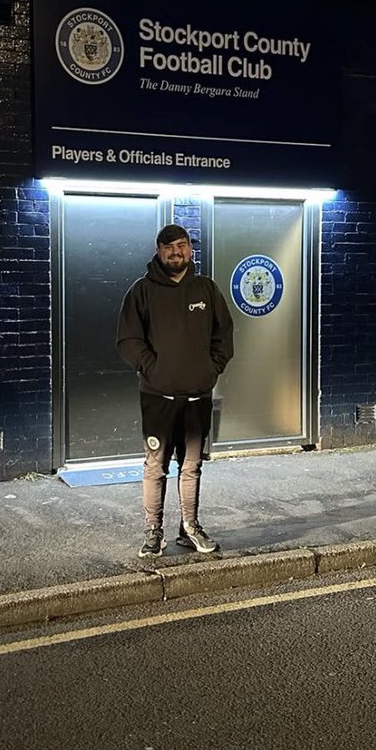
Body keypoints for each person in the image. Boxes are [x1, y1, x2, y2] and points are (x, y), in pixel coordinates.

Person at [116, 223, 234, 558]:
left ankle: (190, 527)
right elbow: (128, 340)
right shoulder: (141, 291)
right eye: (168, 247)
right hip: (158, 397)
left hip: (198, 397)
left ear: (190, 249)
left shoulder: (206, 290)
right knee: (156, 466)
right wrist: (154, 370)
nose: (175, 252)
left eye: (181, 245)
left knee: (191, 465)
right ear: (158, 250)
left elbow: (224, 335)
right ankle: (154, 532)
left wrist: (211, 369)